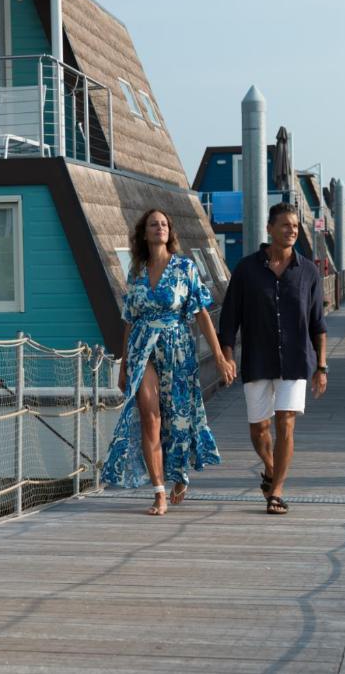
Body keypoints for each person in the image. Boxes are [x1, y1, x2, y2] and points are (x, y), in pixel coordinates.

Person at [101, 209, 236, 515]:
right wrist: (124, 366)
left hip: (177, 349)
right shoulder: (136, 272)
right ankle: (159, 491)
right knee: (151, 417)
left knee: (177, 420)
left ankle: (179, 474)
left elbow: (201, 313)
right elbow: (129, 321)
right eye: (153, 224)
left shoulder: (184, 268)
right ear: (144, 234)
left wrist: (219, 356)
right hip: (142, 350)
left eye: (163, 224)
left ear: (169, 232)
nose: (159, 228)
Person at [218, 202, 328, 515]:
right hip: (257, 358)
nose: (292, 230)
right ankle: (270, 466)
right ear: (270, 229)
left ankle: (276, 491)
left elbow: (318, 324)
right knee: (259, 428)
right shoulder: (246, 269)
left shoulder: (307, 271)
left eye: (295, 226)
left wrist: (322, 367)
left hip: (295, 359)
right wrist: (227, 357)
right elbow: (229, 319)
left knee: (286, 424)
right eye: (285, 225)